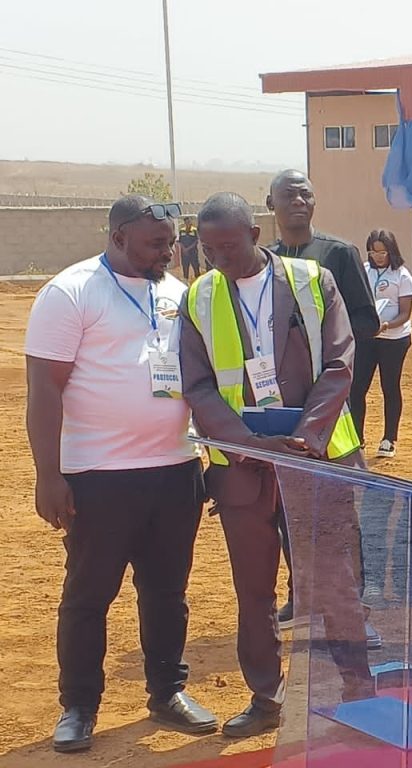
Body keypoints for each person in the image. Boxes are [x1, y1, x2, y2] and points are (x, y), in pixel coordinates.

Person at [25, 196, 217, 754]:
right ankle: (79, 705)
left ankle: (167, 692)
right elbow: (44, 390)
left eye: (172, 241)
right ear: (118, 238)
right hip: (98, 476)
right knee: (89, 595)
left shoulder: (177, 294)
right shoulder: (70, 293)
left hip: (175, 471)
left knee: (167, 592)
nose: (169, 252)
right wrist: (48, 476)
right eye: (156, 243)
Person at [180, 192, 371, 737]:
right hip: (241, 468)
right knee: (254, 588)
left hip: (317, 460)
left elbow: (340, 364)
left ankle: (357, 695)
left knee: (333, 581)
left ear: (254, 235)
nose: (221, 258)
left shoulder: (313, 281)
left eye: (230, 246)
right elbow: (197, 386)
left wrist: (305, 439)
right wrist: (252, 445)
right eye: (210, 249)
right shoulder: (199, 297)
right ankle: (267, 699)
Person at [266, 168, 379, 629]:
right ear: (270, 204)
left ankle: (354, 603)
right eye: (289, 194)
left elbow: (367, 323)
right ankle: (303, 594)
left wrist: (323, 341)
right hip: (279, 413)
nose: (299, 200)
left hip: (332, 410)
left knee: (339, 515)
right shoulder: (264, 262)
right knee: (287, 511)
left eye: (306, 194)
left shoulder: (338, 254)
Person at [350, 229, 412, 458]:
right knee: (357, 387)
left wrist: (386, 325)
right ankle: (356, 439)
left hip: (394, 340)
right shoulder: (363, 271)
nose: (377, 256)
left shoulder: (402, 276)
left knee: (389, 386)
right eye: (373, 252)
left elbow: (405, 313)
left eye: (382, 252)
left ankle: (389, 439)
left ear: (391, 251)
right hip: (366, 338)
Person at [178, 216, 201, 282]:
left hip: (193, 252)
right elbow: (180, 241)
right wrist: (184, 249)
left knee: (196, 267)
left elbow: (196, 241)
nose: (187, 223)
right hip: (184, 253)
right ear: (184, 222)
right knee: (185, 267)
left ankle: (198, 280)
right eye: (186, 222)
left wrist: (188, 249)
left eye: (188, 221)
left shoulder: (194, 230)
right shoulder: (182, 230)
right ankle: (186, 281)